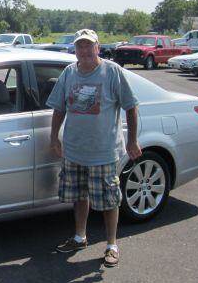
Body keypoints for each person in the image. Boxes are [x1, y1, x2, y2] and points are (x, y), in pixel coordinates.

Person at [46, 28, 142, 267]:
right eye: (80, 46)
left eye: (89, 46)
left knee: (109, 200)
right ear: (75, 49)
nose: (85, 50)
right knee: (79, 196)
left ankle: (111, 245)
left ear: (98, 47)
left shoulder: (112, 72)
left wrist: (132, 140)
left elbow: (131, 106)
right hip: (75, 150)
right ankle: (80, 236)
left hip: (104, 151)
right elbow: (59, 108)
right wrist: (54, 138)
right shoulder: (69, 73)